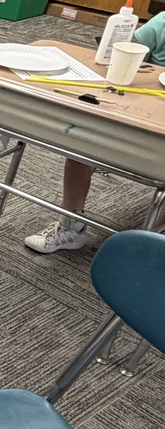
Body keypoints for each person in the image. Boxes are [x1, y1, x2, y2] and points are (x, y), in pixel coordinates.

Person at [24, 13, 165, 253]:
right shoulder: (161, 22)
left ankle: (151, 244)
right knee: (83, 138)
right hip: (141, 105)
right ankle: (71, 224)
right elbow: (124, 54)